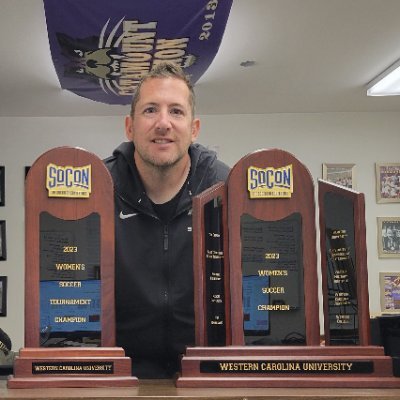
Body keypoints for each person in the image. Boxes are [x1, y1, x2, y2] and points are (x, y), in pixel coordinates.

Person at [104, 62, 230, 378]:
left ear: (194, 128)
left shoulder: (227, 189)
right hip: (119, 375)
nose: (163, 123)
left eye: (176, 111)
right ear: (130, 127)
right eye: (150, 110)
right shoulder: (99, 188)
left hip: (209, 374)